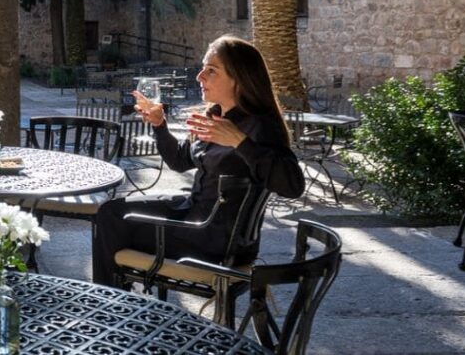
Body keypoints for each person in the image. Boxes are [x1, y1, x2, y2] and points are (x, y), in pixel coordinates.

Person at [91, 34, 305, 284]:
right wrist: (160, 126)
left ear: (240, 79)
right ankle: (116, 301)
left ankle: (111, 302)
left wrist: (240, 142)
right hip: (192, 215)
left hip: (213, 238)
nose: (199, 76)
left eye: (211, 71)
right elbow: (181, 160)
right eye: (203, 68)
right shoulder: (215, 117)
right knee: (110, 211)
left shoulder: (260, 126)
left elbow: (293, 186)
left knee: (115, 225)